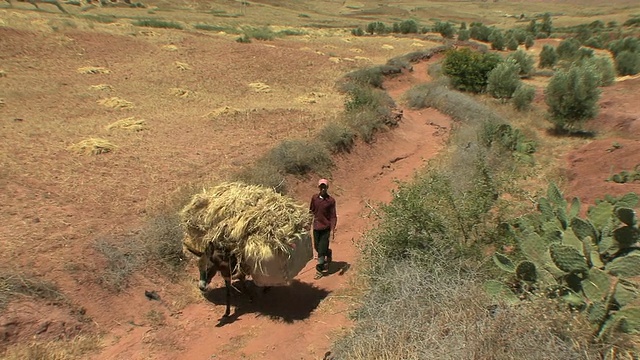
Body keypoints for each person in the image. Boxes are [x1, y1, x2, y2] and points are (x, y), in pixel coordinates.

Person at [309, 178, 337, 279]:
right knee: (317, 247)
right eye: (321, 187)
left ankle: (319, 270)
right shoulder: (314, 198)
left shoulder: (331, 201)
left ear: (327, 188)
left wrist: (332, 230)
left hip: (325, 228)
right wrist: (308, 223)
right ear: (319, 187)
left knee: (320, 251)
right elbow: (311, 211)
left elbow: (333, 216)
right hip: (316, 228)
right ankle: (328, 253)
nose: (323, 189)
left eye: (324, 187)